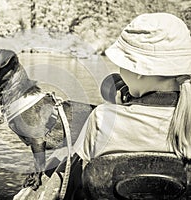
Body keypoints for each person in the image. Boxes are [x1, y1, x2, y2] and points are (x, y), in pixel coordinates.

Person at [74, 12, 191, 167]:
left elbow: (77, 174)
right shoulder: (185, 119)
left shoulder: (102, 119)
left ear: (139, 71)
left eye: (121, 64)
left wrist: (117, 112)